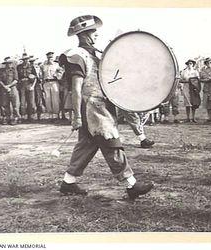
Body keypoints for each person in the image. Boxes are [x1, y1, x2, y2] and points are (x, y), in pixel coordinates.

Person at [58, 15, 153, 199]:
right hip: (92, 108)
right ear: (84, 34)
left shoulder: (97, 54)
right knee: (111, 142)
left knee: (86, 145)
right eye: (94, 32)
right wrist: (77, 115)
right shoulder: (76, 55)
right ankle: (131, 184)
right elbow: (77, 88)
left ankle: (68, 182)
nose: (96, 36)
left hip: (101, 106)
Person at [40, 51, 62, 121]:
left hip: (54, 82)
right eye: (49, 57)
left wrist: (58, 76)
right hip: (46, 82)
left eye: (51, 57)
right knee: (48, 99)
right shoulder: (43, 65)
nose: (50, 59)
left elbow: (61, 73)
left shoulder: (57, 65)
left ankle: (57, 115)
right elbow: (41, 75)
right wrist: (42, 84)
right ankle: (50, 115)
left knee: (55, 99)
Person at [0, 57, 20, 125]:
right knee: (5, 104)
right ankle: (7, 117)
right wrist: (5, 86)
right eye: (7, 64)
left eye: (9, 63)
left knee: (15, 104)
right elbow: (0, 80)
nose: (8, 65)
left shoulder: (14, 70)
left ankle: (16, 118)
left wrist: (9, 86)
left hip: (12, 88)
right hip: (4, 88)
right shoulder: (1, 71)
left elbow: (16, 80)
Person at [17, 53, 37, 122]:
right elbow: (17, 77)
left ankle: (31, 116)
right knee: (22, 102)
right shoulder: (19, 67)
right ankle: (23, 116)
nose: (25, 60)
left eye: (26, 59)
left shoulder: (31, 66)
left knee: (31, 102)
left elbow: (35, 77)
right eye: (24, 59)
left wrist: (33, 86)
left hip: (30, 84)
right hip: (22, 85)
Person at [29, 56, 45, 121]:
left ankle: (39, 115)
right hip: (31, 84)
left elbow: (40, 76)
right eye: (31, 62)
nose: (32, 63)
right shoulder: (30, 68)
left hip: (38, 85)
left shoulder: (39, 68)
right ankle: (31, 115)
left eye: (33, 62)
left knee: (39, 99)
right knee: (31, 100)